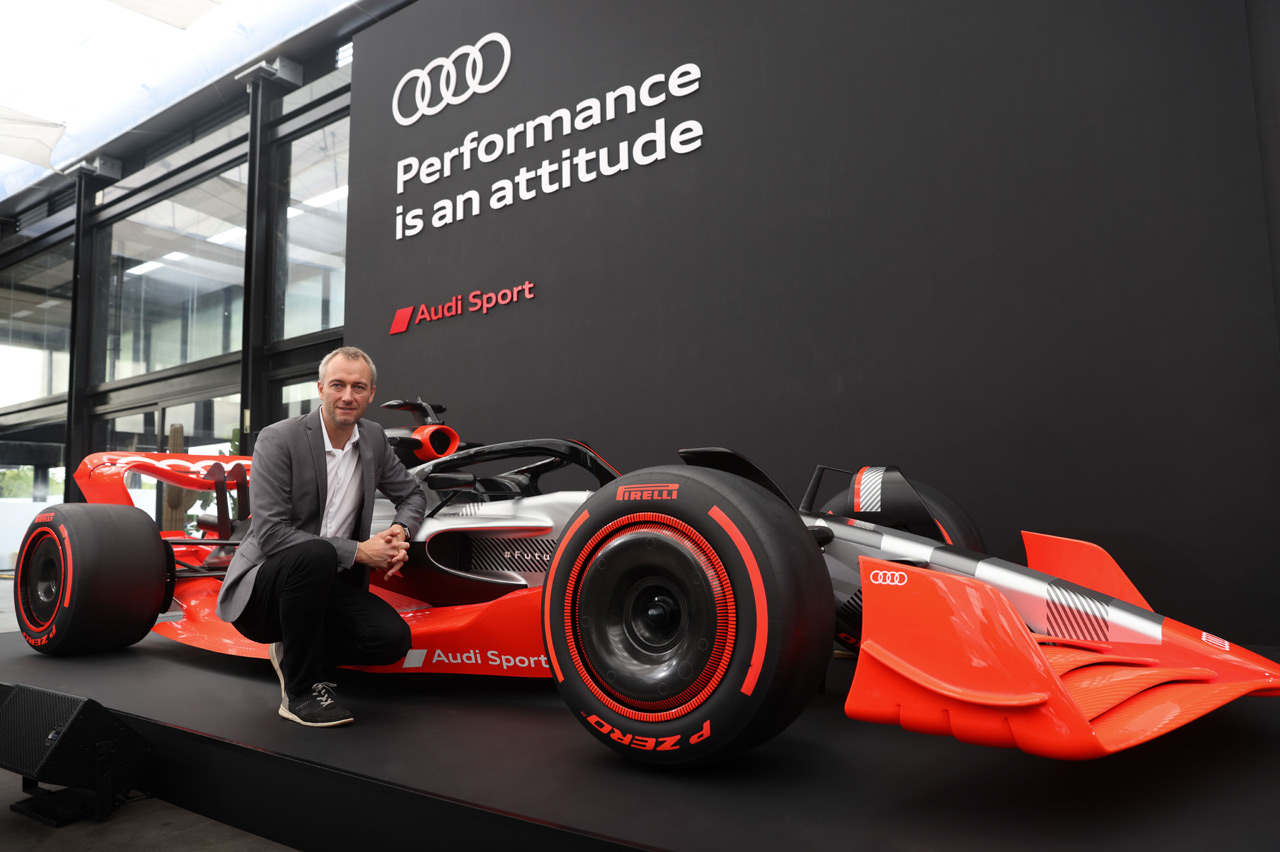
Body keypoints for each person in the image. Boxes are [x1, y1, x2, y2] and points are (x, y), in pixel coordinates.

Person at [216, 346, 427, 727]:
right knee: (316, 553)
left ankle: (296, 651)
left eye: (358, 387)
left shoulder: (374, 439)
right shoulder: (279, 439)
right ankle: (300, 691)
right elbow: (272, 533)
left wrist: (400, 532)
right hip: (266, 590)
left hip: (328, 584)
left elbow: (412, 495)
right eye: (337, 385)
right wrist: (360, 552)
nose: (347, 396)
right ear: (320, 388)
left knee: (390, 640)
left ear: (371, 393)